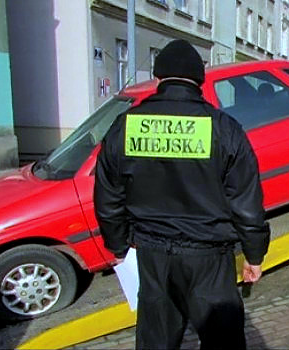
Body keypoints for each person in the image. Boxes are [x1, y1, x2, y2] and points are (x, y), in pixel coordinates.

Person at [94, 39, 270, 349]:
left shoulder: (125, 127)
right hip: (209, 258)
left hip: (152, 254)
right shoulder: (225, 129)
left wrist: (118, 246)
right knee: (222, 342)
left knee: (157, 340)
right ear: (200, 81)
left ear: (158, 79)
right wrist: (254, 254)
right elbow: (247, 204)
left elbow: (108, 198)